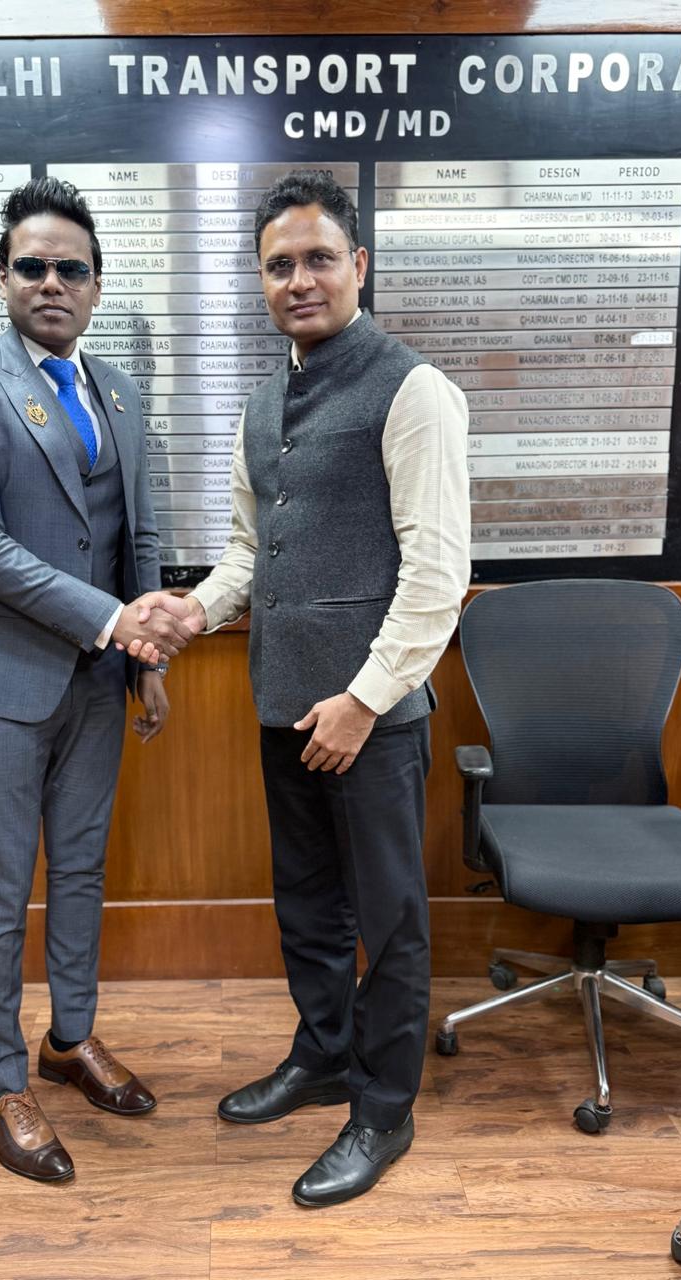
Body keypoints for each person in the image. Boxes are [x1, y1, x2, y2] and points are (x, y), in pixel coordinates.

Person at [178, 170, 471, 1207]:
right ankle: (324, 1054)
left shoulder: (413, 389)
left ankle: (384, 1107)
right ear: (260, 281)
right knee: (306, 907)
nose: (298, 279)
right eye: (278, 265)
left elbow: (436, 574)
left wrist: (364, 698)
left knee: (387, 921)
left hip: (371, 719)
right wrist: (190, 612)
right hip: (281, 703)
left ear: (358, 265)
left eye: (317, 258)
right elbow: (247, 552)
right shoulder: (262, 404)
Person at [0, 176, 198, 1183]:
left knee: (80, 867)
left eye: (71, 268)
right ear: (2, 277)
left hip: (98, 680)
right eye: (31, 265)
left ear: (96, 285)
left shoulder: (117, 390)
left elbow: (137, 534)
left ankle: (69, 1040)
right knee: (2, 883)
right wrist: (115, 621)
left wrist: (144, 658)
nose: (51, 282)